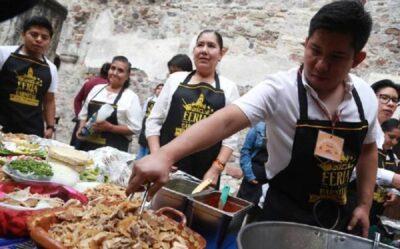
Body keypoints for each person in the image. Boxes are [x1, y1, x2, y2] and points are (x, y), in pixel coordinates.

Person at [128, 0, 378, 237]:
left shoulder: (365, 96)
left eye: (336, 57)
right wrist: (164, 155)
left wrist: (365, 205)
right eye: (315, 50)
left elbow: (368, 150)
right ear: (305, 43)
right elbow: (226, 121)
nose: (321, 65)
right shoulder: (280, 89)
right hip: (282, 214)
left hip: (335, 218)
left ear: (357, 59)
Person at [145, 30, 240, 186]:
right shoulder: (175, 80)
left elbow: (231, 138)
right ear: (194, 51)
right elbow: (153, 121)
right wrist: (158, 156)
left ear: (221, 54)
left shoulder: (229, 88)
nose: (204, 50)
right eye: (200, 45)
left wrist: (216, 169)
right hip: (165, 167)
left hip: (204, 173)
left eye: (211, 46)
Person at [0, 16, 58, 138]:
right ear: (23, 34)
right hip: (2, 124)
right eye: (34, 34)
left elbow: (49, 100)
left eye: (44, 37)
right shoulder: (3, 53)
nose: (39, 39)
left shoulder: (51, 68)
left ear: (49, 41)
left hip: (31, 131)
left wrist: (50, 126)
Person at [76, 56, 142, 152]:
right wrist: (81, 129)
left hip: (111, 152)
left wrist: (111, 128)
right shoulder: (96, 89)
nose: (114, 73)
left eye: (120, 70)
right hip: (86, 146)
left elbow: (135, 128)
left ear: (127, 76)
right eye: (113, 68)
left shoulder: (131, 97)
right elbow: (84, 115)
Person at [136, 54, 193, 160]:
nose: (171, 76)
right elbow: (153, 120)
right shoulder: (167, 90)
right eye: (170, 72)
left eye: (175, 72)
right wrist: (156, 154)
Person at [70, 62, 110, 147]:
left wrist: (79, 116)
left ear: (100, 71)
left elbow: (77, 100)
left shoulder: (89, 83)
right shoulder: (108, 87)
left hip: (83, 121)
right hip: (97, 126)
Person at [237, 122, 268, 222]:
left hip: (269, 181)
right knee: (241, 210)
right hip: (253, 178)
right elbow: (245, 151)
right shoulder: (259, 127)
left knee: (258, 216)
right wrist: (249, 175)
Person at [136, 83, 164, 160]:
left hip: (154, 125)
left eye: (162, 89)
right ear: (155, 90)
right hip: (146, 122)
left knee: (149, 144)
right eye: (158, 88)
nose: (160, 91)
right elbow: (144, 111)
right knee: (143, 142)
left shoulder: (163, 102)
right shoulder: (150, 100)